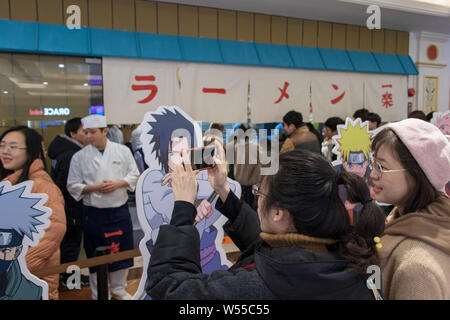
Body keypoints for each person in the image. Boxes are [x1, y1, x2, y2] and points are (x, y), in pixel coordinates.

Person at [145, 141, 386, 299]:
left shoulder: (256, 286)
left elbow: (172, 289)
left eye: (259, 193)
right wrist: (223, 191)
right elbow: (275, 251)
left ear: (279, 212)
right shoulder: (348, 254)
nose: (257, 200)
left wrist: (183, 206)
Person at [370, 118, 450, 299]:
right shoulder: (408, 218)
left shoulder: (416, 268)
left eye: (382, 167)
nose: (373, 174)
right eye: (373, 163)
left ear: (417, 174)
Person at [67, 115, 140, 300]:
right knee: (95, 252)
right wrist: (94, 187)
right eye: (86, 133)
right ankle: (100, 292)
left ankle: (119, 288)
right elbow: (72, 185)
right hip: (94, 212)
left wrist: (118, 183)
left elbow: (135, 175)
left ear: (104, 131)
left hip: (119, 210)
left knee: (122, 250)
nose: (89, 136)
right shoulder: (79, 157)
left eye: (93, 132)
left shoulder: (122, 151)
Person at [0, 126, 66, 300]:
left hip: (31, 281)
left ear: (32, 151)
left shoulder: (43, 187)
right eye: (3, 146)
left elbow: (52, 233)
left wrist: (17, 269)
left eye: (13, 147)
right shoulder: (10, 183)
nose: (5, 151)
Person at [47, 118, 88, 287]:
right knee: (71, 243)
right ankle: (69, 280)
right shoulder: (71, 155)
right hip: (70, 207)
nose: (87, 135)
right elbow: (66, 185)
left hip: (66, 206)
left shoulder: (62, 151)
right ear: (73, 134)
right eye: (84, 132)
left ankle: (68, 277)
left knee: (69, 243)